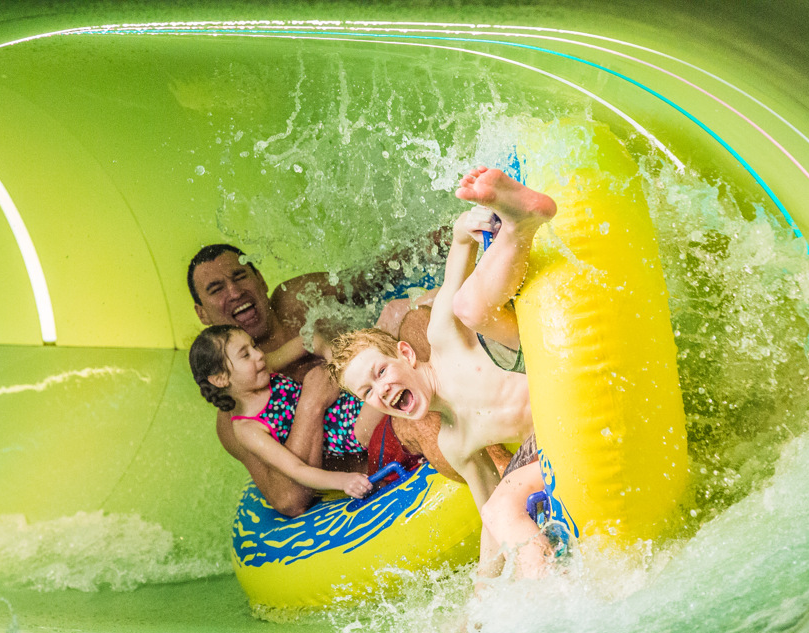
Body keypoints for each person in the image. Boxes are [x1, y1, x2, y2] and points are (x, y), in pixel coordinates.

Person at [328, 168, 558, 579]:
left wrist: (462, 229)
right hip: (548, 441)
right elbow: (491, 513)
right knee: (501, 509)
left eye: (381, 372)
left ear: (405, 354)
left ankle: (519, 221)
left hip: (545, 368)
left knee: (467, 307)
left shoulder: (442, 340)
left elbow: (456, 268)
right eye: (367, 392)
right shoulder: (454, 442)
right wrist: (481, 596)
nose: (381, 390)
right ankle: (550, 599)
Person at [187, 240, 445, 516]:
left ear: (260, 279)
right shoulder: (234, 420)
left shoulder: (296, 301)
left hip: (393, 389)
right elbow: (289, 499)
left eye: (240, 276)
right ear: (202, 312)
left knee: (410, 321)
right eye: (216, 289)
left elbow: (370, 277)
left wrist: (432, 241)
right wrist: (312, 402)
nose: (235, 291)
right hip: (375, 442)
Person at [189, 324, 383, 501]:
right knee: (389, 382)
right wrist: (343, 481)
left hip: (351, 398)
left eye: (254, 346)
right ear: (221, 379)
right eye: (245, 355)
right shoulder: (247, 428)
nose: (259, 355)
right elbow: (296, 469)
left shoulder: (264, 369)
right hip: (352, 431)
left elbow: (308, 337)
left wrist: (330, 353)